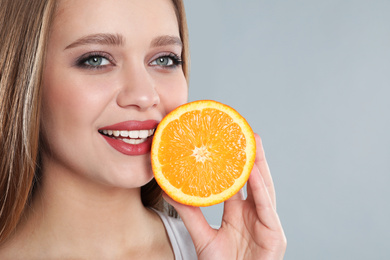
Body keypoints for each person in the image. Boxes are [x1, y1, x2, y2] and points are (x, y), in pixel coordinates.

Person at [0, 0, 287, 258]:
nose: (143, 95)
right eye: (96, 59)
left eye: (164, 59)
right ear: (25, 78)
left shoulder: (223, 254)